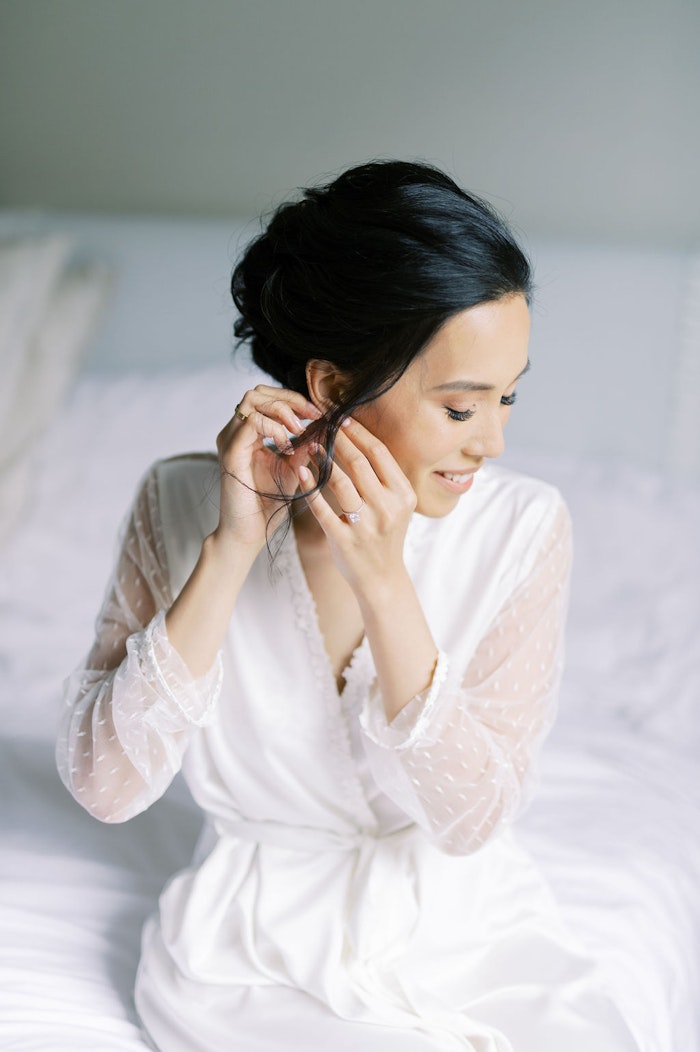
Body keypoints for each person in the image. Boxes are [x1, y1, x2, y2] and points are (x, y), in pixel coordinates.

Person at [56, 161, 640, 1052]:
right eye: (458, 407)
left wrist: (386, 582)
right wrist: (231, 549)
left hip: (474, 949)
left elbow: (470, 820)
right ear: (330, 388)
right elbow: (106, 788)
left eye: (507, 397)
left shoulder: (523, 529)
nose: (493, 440)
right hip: (245, 961)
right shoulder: (177, 505)